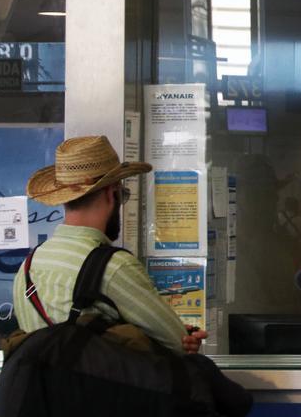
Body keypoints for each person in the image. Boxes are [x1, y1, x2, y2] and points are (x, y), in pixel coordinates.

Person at [13, 135, 206, 354]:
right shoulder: (113, 266)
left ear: (64, 198)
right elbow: (177, 343)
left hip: (41, 388)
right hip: (96, 388)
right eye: (122, 195)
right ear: (110, 192)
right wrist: (182, 335)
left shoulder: (28, 267)